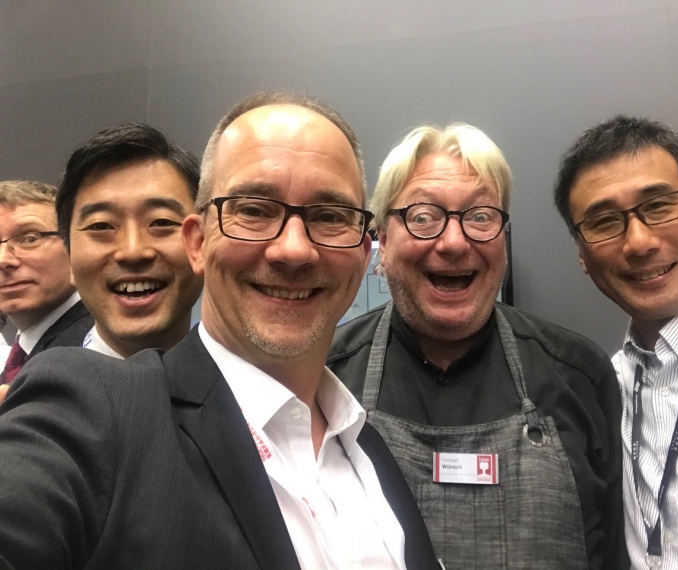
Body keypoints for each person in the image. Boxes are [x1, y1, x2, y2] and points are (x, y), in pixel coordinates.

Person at [0, 92, 437, 570]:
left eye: (329, 216)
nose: (293, 250)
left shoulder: (365, 442)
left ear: (362, 252)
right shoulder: (96, 408)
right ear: (197, 242)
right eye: (254, 210)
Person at [328, 124, 626, 570]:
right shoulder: (323, 380)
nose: (453, 242)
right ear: (383, 242)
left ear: (503, 240)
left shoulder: (579, 375)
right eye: (422, 217)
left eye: (481, 216)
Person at [554, 114, 678, 570]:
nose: (639, 242)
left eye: (659, 206)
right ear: (582, 255)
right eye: (604, 221)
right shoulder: (605, 389)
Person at [55, 123, 204, 358]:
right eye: (101, 226)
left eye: (161, 222)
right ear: (69, 254)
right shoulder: (41, 379)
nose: (133, 251)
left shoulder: (250, 378)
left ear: (202, 243)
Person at [0, 180, 93, 386]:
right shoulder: (26, 353)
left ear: (74, 246)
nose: (3, 260)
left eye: (30, 239)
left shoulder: (101, 347)